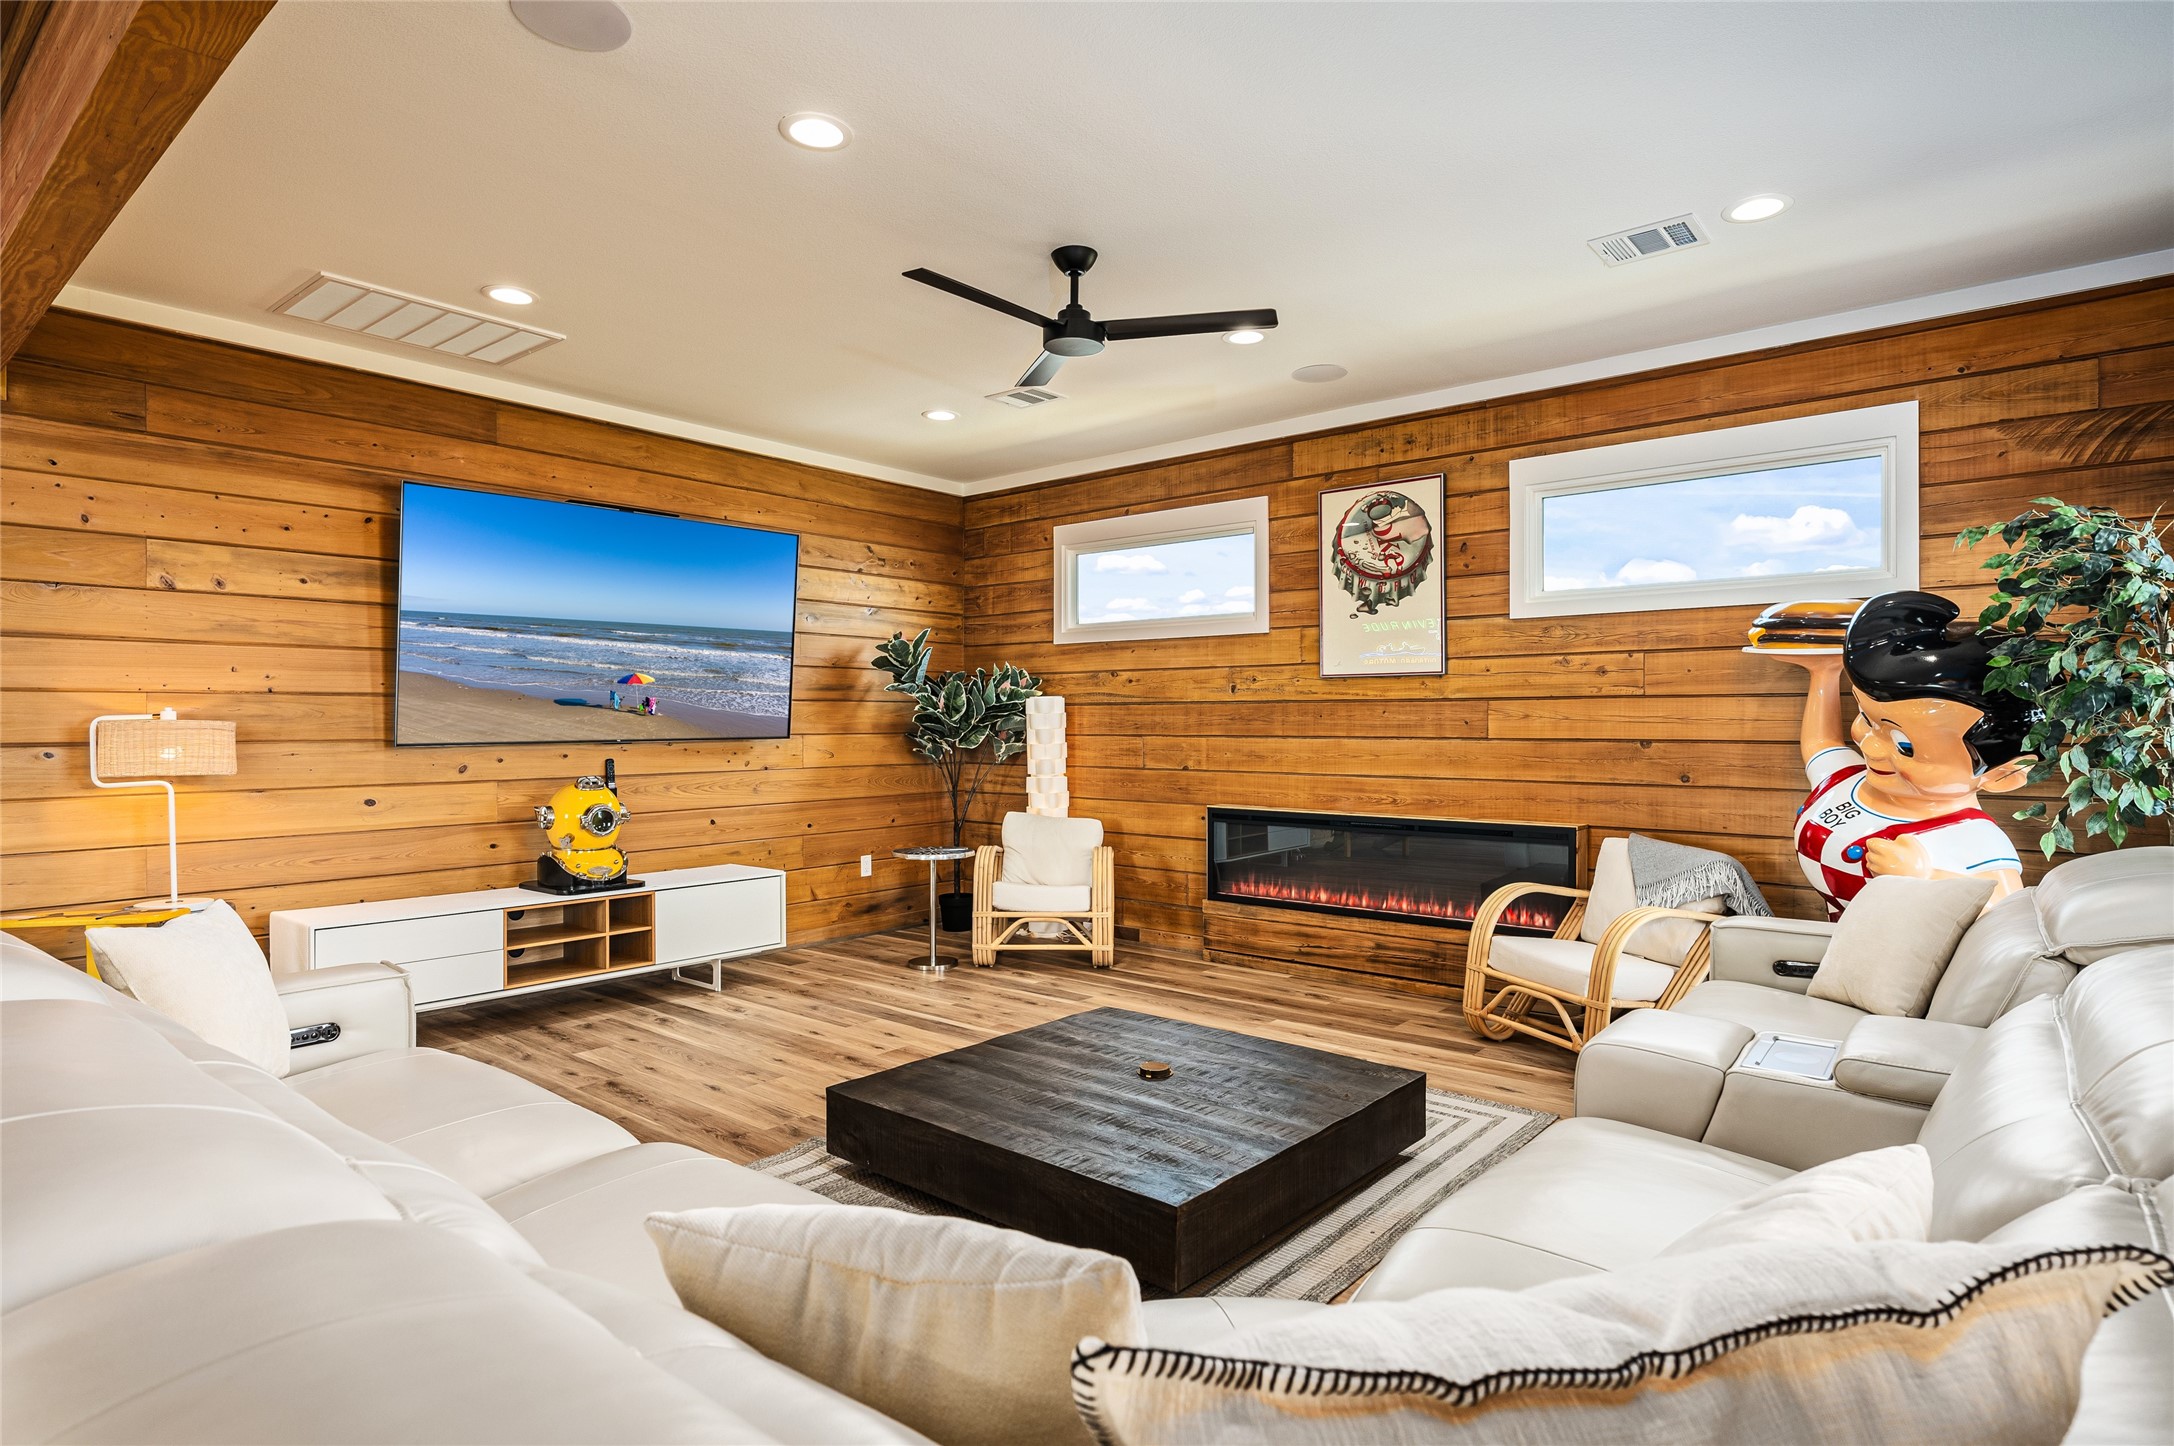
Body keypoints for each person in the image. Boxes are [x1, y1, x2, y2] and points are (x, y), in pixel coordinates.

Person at [1769, 591, 2033, 917]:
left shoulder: (1970, 838)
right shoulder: (1848, 780)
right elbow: (1821, 744)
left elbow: (2006, 915)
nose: (1872, 746)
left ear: (2001, 774)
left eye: (1905, 745)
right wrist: (1824, 672)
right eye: (1867, 718)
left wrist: (1925, 878)